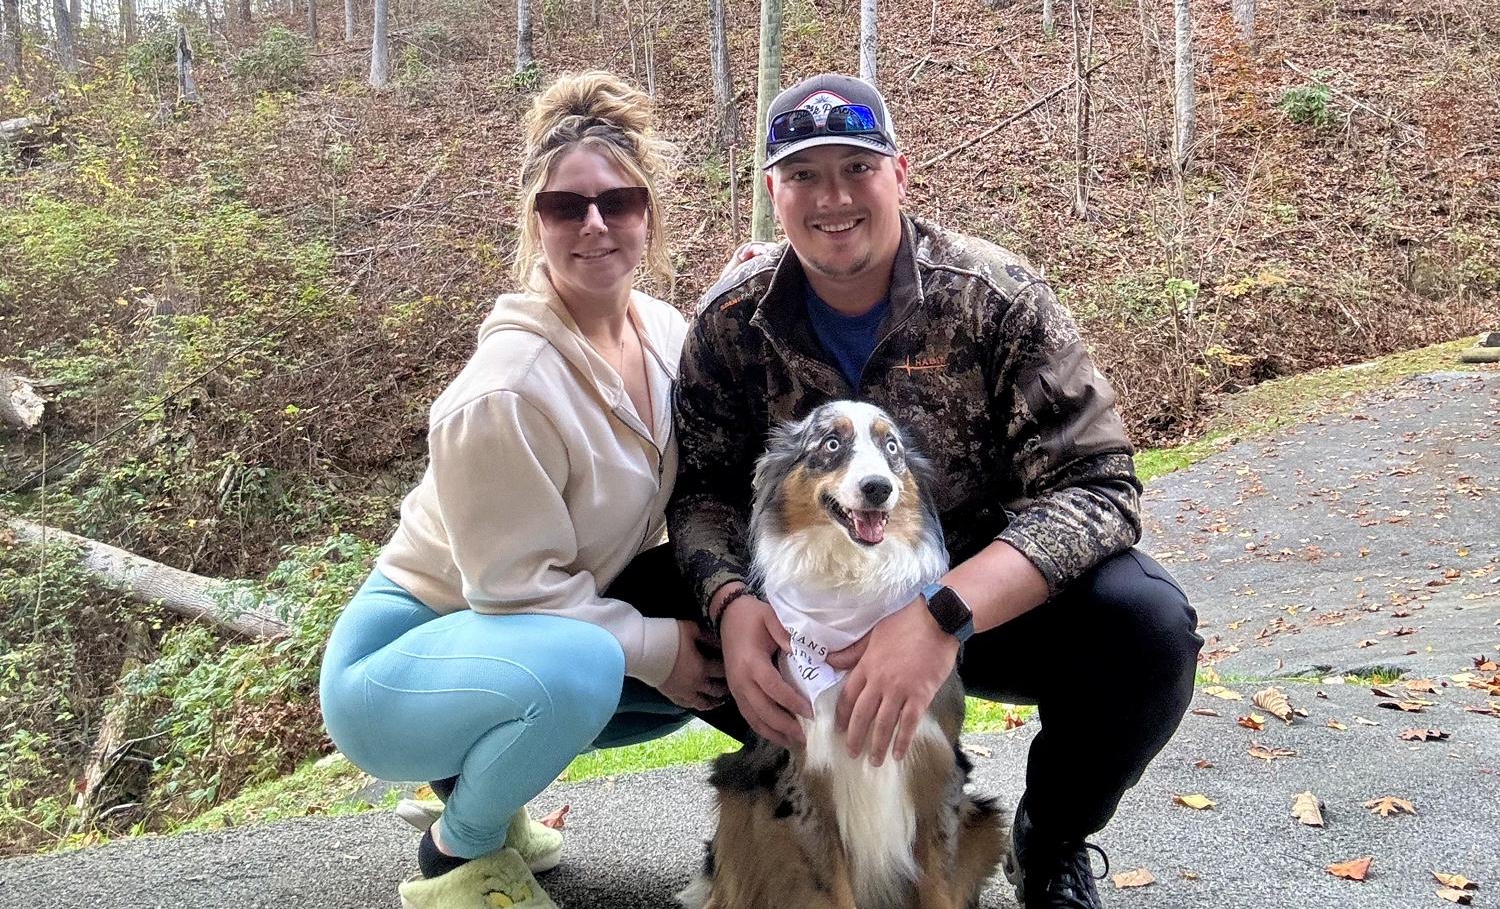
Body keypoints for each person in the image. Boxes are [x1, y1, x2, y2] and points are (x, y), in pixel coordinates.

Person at [668, 72, 1203, 909]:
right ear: (773, 192)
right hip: (802, 617)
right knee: (636, 599)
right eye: (804, 174)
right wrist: (730, 605)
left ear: (900, 172)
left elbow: (1100, 488)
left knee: (1149, 629)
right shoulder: (732, 322)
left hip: (982, 608)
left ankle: (1050, 839)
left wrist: (940, 616)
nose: (833, 197)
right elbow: (702, 489)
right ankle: (798, 826)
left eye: (857, 167)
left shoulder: (996, 296)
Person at [321, 71, 725, 909]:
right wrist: (656, 649)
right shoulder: (506, 387)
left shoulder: (662, 333)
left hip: (501, 643)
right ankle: (456, 853)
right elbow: (511, 593)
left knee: (680, 671)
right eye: (565, 207)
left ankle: (477, 791)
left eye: (618, 201)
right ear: (535, 223)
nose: (594, 223)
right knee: (598, 663)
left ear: (649, 214)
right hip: (395, 671)